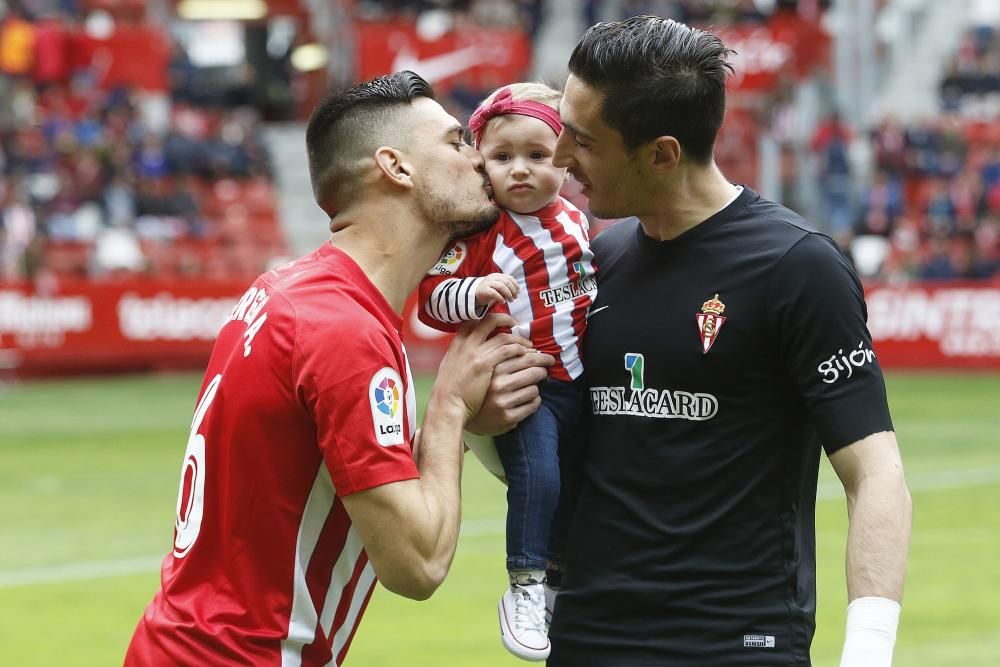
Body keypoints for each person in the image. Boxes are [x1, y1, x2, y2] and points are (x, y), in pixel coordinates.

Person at [474, 16, 913, 666]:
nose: (560, 158)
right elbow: (553, 442)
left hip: (735, 643)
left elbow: (876, 473)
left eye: (584, 141)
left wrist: (868, 654)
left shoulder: (796, 267)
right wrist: (486, 423)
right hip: (589, 639)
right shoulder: (595, 261)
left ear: (662, 154)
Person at [124, 71, 548, 667]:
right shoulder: (342, 330)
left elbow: (324, 471)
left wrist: (455, 423)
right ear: (396, 168)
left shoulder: (292, 293)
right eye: (455, 143)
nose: (479, 159)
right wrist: (451, 406)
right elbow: (418, 562)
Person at [417, 82, 596, 662]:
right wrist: (473, 292)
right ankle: (524, 584)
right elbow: (430, 299)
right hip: (526, 387)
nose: (520, 170)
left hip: (581, 380)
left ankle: (562, 579)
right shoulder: (478, 232)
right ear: (480, 162)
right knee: (539, 476)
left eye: (537, 156)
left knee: (584, 480)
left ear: (564, 162)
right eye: (502, 157)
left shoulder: (574, 220)